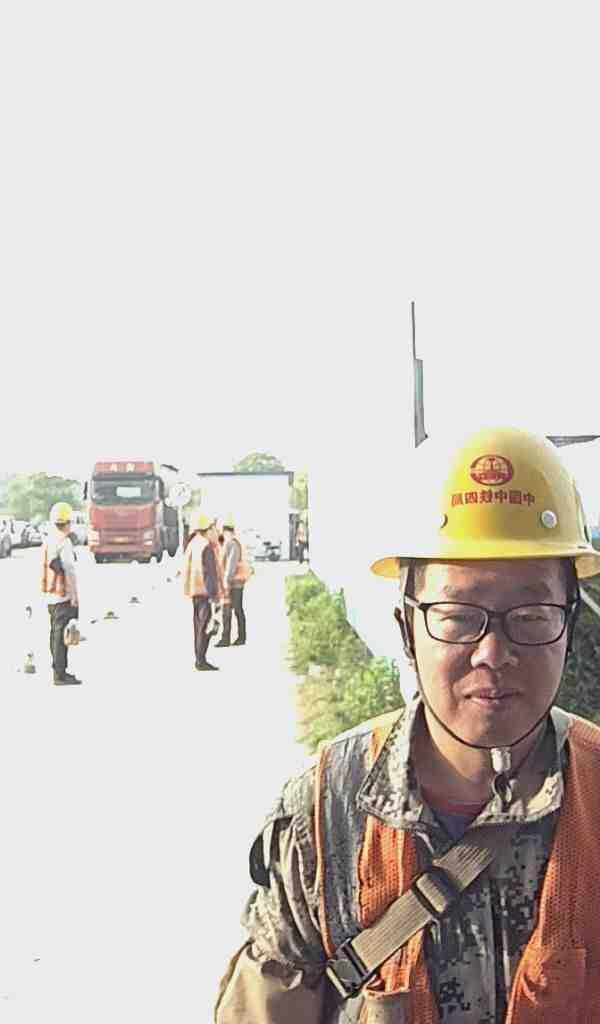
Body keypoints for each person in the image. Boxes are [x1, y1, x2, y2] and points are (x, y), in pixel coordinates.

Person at [214, 426, 600, 1023]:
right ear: (406, 630)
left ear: (569, 625)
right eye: (457, 616)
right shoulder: (326, 811)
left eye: (531, 615)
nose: (493, 653)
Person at [41, 501, 82, 685]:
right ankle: (60, 674)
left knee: (54, 634)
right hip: (63, 595)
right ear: (68, 522)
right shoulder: (64, 542)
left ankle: (56, 670)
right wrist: (74, 596)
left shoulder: (48, 540)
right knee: (62, 636)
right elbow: (69, 570)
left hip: (50, 596)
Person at [182, 511, 221, 671]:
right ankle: (201, 660)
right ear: (208, 529)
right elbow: (209, 573)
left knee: (198, 627)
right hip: (205, 592)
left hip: (194, 590)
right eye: (213, 529)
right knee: (205, 627)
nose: (215, 532)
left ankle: (199, 658)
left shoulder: (192, 544)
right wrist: (214, 596)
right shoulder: (206, 546)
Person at [215, 518, 252, 647]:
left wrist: (226, 581)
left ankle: (236, 638)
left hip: (233, 582)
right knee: (231, 609)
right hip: (233, 581)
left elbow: (231, 564)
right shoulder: (232, 542)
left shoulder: (231, 543)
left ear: (224, 530)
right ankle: (231, 637)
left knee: (234, 609)